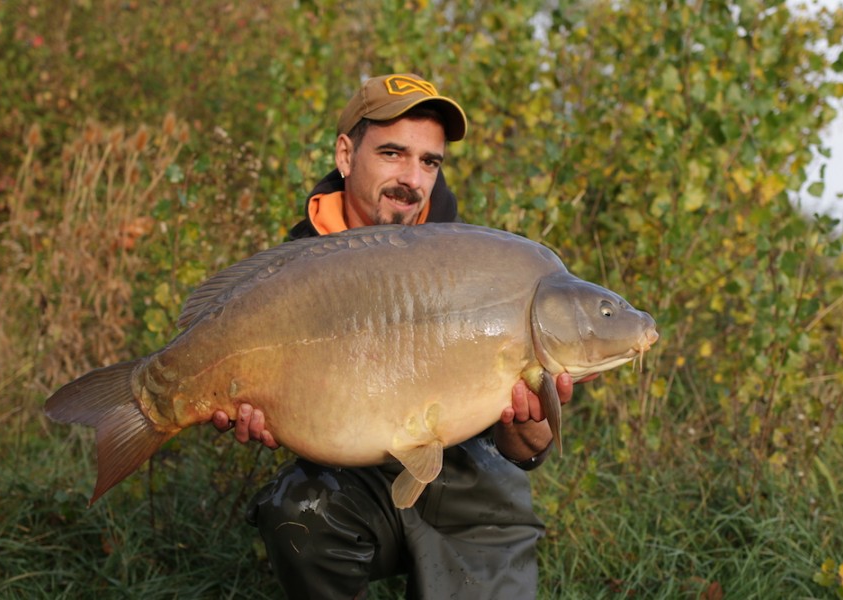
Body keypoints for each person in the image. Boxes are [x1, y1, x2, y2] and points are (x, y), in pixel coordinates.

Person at [211, 73, 585, 599]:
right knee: (297, 512)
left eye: (430, 162)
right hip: (356, 488)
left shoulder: (477, 262)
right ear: (346, 154)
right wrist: (254, 409)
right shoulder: (290, 277)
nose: (412, 179)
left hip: (471, 494)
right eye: (393, 153)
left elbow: (525, 451)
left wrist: (531, 426)